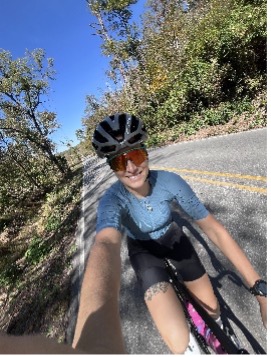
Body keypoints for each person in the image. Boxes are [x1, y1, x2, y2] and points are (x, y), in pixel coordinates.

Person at [73, 112, 266, 354]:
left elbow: (213, 229)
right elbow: (105, 244)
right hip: (143, 251)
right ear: (112, 167)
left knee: (213, 310)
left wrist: (260, 289)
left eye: (136, 155)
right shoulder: (112, 201)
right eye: (119, 162)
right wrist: (91, 330)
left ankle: (217, 328)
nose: (131, 167)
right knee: (178, 341)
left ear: (146, 152)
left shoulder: (170, 182)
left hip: (172, 238)